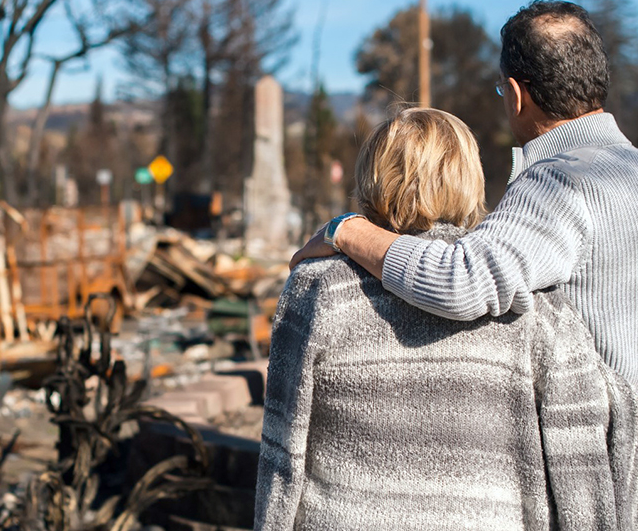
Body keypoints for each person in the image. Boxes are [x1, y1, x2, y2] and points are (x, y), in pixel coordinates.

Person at [255, 107, 638, 531]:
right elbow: (580, 471)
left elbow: (281, 456)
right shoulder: (538, 311)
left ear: (371, 179)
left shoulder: (315, 290)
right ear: (470, 180)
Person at [288, 0, 638, 384]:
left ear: (517, 95)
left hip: (608, 437)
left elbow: (459, 282)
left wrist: (346, 230)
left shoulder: (560, 181)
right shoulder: (627, 168)